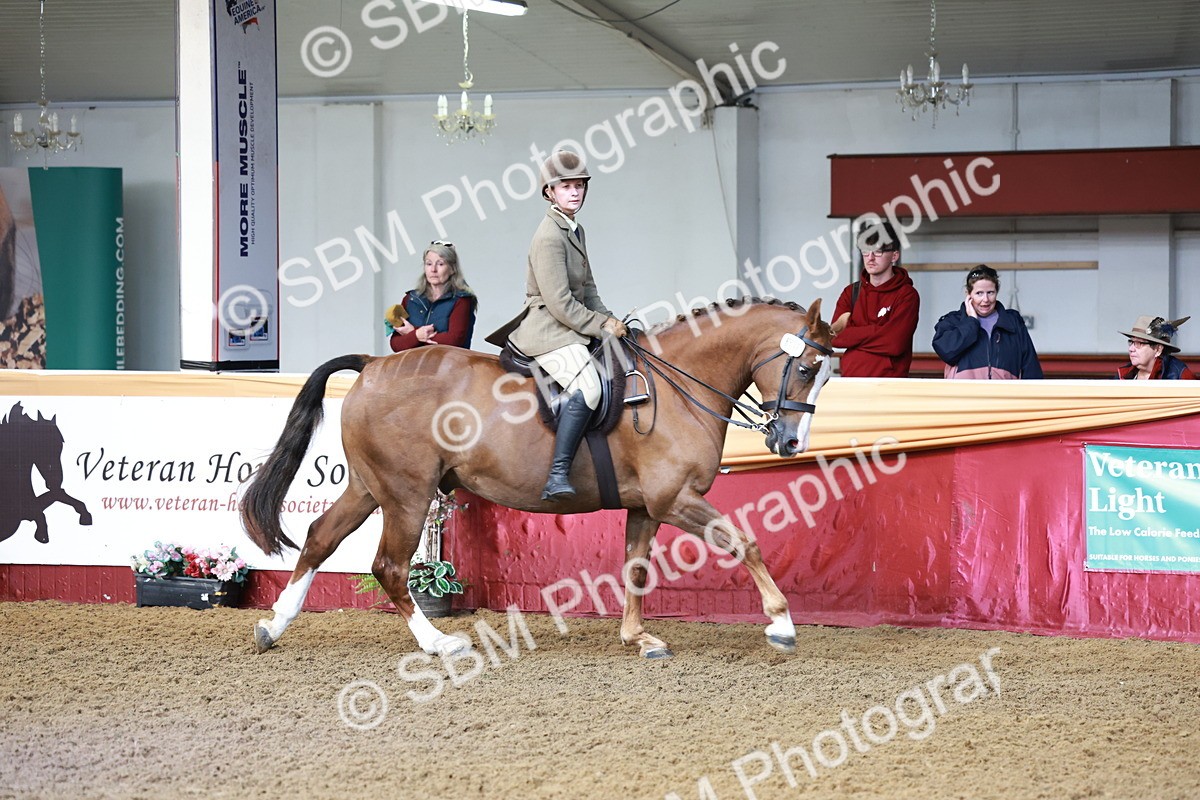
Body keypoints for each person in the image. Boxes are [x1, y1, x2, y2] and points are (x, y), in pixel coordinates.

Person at [485, 150, 627, 502]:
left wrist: (610, 319)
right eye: (566, 186)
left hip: (570, 325)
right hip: (548, 329)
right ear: (550, 192)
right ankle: (557, 474)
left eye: (579, 186)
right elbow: (561, 303)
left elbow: (589, 289)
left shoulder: (575, 230)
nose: (574, 192)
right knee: (590, 388)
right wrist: (600, 326)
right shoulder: (549, 236)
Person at [831, 220, 920, 377]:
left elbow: (895, 343)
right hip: (851, 382)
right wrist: (880, 331)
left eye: (878, 251)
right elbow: (835, 337)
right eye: (866, 251)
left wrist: (854, 335)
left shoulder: (907, 295)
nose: (870, 258)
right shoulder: (851, 292)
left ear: (894, 255)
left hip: (889, 385)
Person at [932, 264, 1042, 380]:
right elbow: (947, 353)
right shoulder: (953, 322)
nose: (985, 300)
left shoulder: (1013, 322)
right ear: (968, 294)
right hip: (964, 396)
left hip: (1004, 396)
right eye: (979, 293)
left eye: (990, 292)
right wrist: (971, 322)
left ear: (996, 292)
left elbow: (1031, 367)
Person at [388, 241, 477, 352]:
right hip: (413, 366)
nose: (433, 270)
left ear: (452, 269)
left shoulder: (462, 300)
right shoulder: (410, 299)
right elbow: (395, 344)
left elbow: (454, 341)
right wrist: (416, 335)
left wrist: (414, 333)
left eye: (440, 264)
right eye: (429, 264)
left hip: (450, 366)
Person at [1116, 315, 1195, 380]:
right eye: (1131, 342)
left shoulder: (1179, 374)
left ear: (1158, 349)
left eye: (1139, 343)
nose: (1131, 349)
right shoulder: (1124, 374)